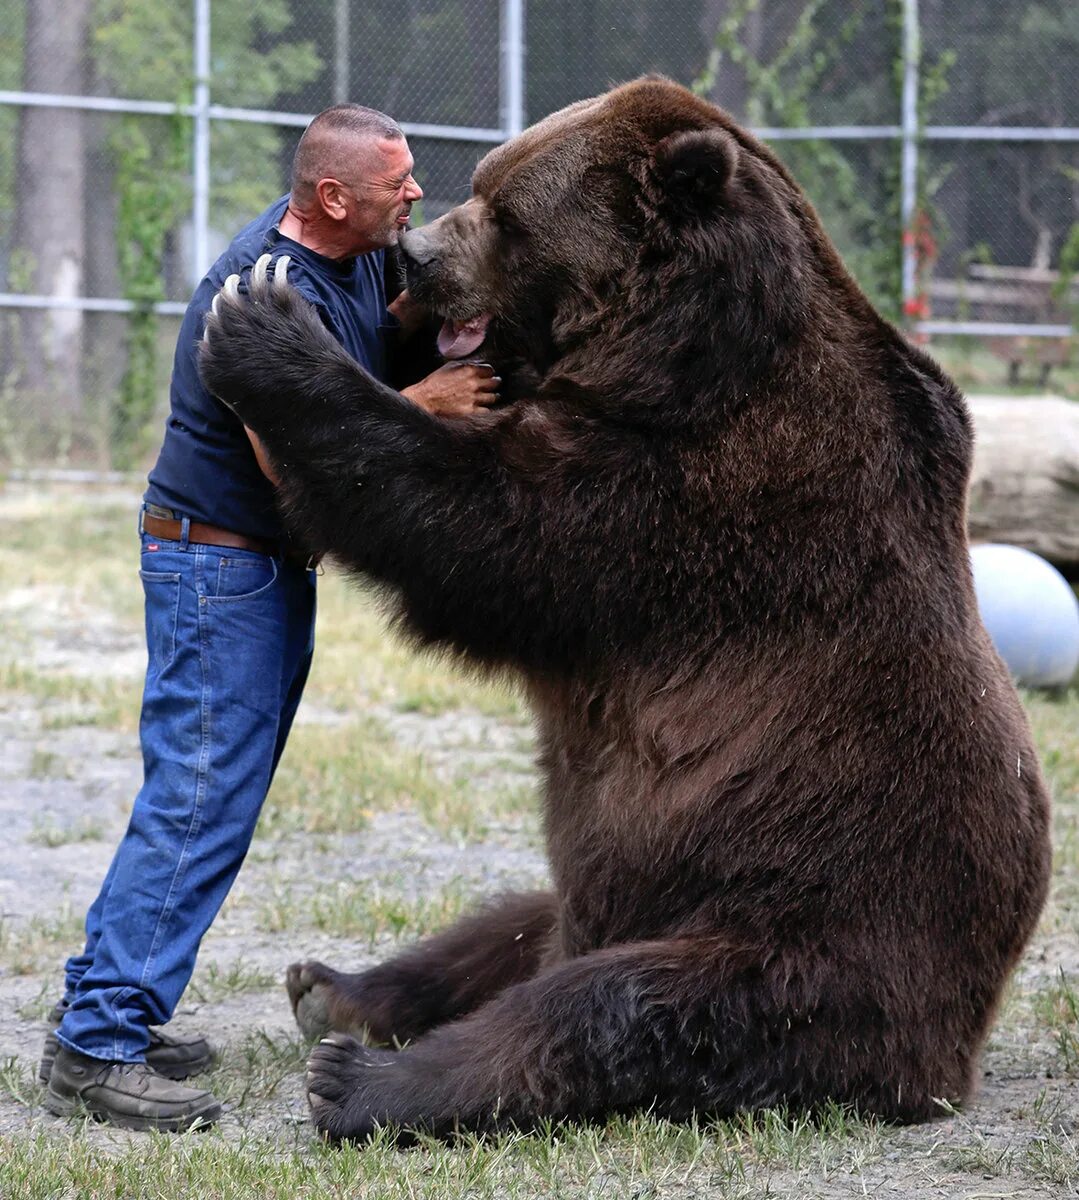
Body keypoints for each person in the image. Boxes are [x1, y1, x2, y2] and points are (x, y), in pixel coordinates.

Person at [41, 105, 497, 1133]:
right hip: (218, 567)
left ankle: (106, 999)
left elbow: (394, 336)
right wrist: (423, 404)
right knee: (198, 801)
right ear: (334, 197)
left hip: (259, 569)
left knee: (205, 798)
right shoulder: (261, 295)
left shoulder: (367, 262)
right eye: (397, 182)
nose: (415, 196)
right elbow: (294, 469)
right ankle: (95, 1044)